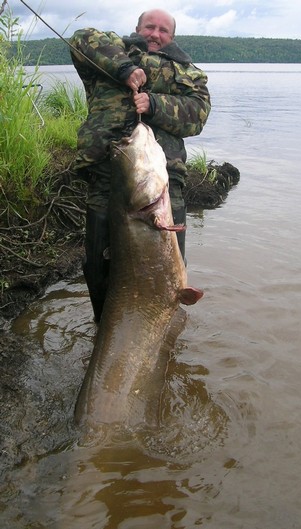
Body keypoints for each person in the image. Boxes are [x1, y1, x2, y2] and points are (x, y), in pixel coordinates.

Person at [69, 9, 211, 322]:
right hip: (106, 175)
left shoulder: (188, 72)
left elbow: (198, 113)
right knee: (99, 266)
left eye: (163, 30)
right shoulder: (112, 49)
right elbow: (80, 39)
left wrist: (156, 104)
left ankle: (162, 338)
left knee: (168, 272)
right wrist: (124, 68)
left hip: (163, 185)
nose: (155, 34)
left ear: (172, 37)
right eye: (150, 27)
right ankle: (104, 328)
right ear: (137, 28)